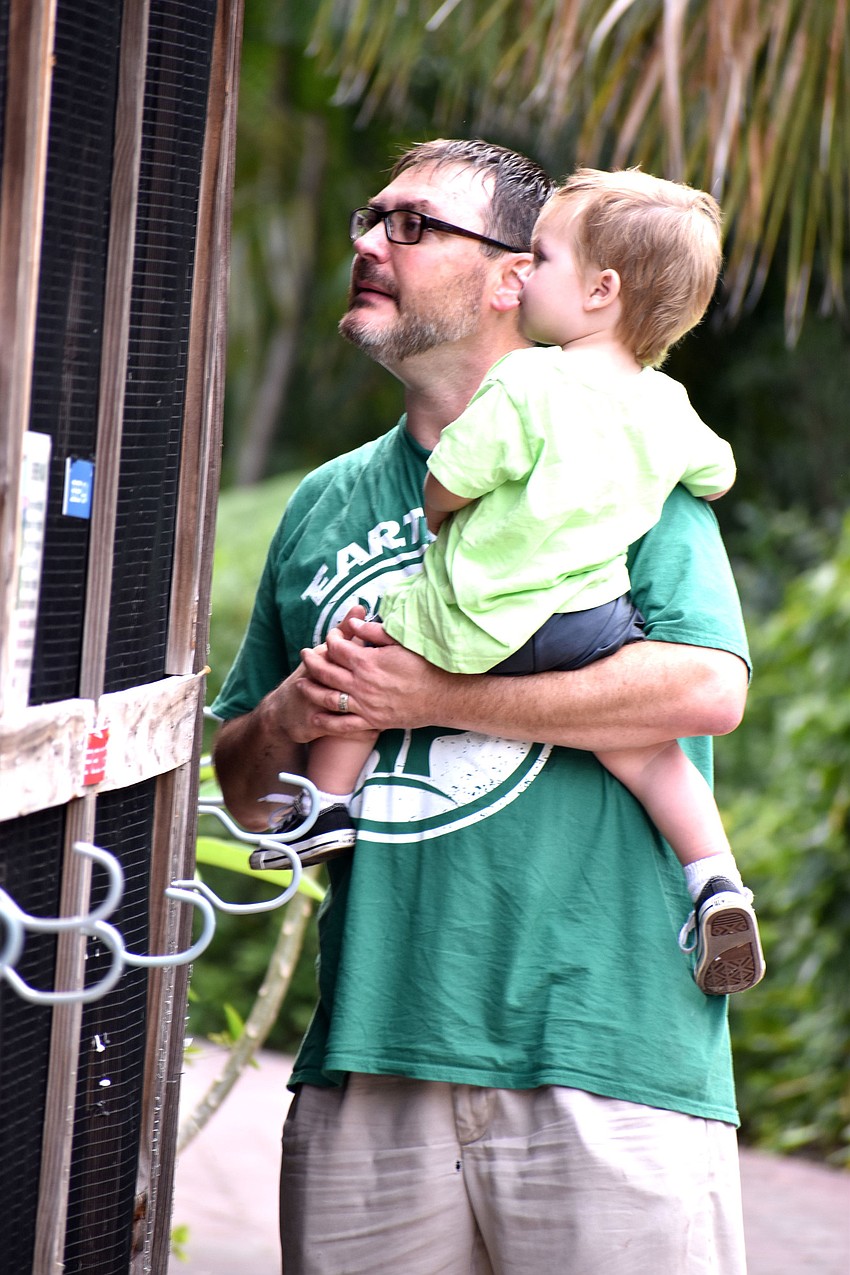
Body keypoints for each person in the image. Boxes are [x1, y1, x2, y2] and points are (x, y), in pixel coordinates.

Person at [212, 139, 752, 1274]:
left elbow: (706, 687)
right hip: (371, 1060)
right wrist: (301, 711)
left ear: (517, 275)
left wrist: (432, 692)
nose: (371, 243)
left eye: (412, 225)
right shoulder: (322, 504)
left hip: (608, 1065)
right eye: (370, 218)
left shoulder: (621, 451)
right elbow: (246, 792)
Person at [254, 166, 763, 998]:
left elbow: (454, 476)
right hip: (590, 623)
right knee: (651, 759)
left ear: (600, 289)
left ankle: (324, 809)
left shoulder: (528, 381)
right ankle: (715, 879)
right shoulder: (668, 405)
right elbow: (718, 473)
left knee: (366, 659)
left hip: (477, 612)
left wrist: (440, 514)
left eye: (544, 257)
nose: (528, 272)